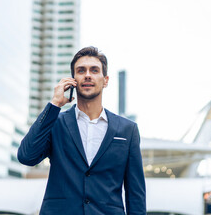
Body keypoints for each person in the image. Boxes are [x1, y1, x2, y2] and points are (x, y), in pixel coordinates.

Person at [18, 46, 146, 215]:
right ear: (73, 80)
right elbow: (27, 156)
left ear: (105, 80)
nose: (87, 75)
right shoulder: (55, 122)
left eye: (94, 70)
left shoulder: (127, 130)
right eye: (81, 70)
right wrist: (54, 105)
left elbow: (135, 193)